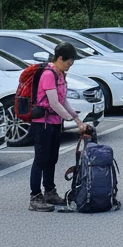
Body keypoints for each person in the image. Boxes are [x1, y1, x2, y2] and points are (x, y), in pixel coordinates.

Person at [29, 43, 89, 212]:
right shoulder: (49, 74)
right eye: (68, 63)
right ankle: (35, 197)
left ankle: (49, 192)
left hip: (55, 123)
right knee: (41, 159)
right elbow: (54, 103)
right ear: (60, 58)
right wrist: (70, 118)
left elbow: (63, 101)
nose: (69, 67)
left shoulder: (60, 74)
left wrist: (77, 119)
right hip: (43, 123)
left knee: (51, 158)